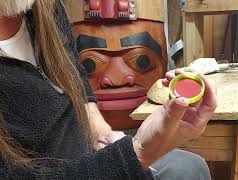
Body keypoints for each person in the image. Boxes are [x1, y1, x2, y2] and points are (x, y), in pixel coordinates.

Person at [0, 0, 217, 179]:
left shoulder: (43, 7)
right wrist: (135, 154)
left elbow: (74, 74)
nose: (114, 79)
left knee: (188, 168)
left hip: (88, 150)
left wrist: (102, 134)